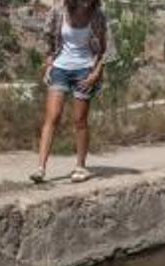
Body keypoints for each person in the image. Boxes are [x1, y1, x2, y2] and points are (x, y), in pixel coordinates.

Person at [31, 0, 109, 184]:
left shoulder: (98, 15)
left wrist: (96, 73)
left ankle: (81, 166)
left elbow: (105, 49)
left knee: (80, 120)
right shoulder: (59, 11)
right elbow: (48, 38)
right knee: (52, 116)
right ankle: (40, 168)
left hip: (85, 70)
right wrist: (49, 64)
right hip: (60, 69)